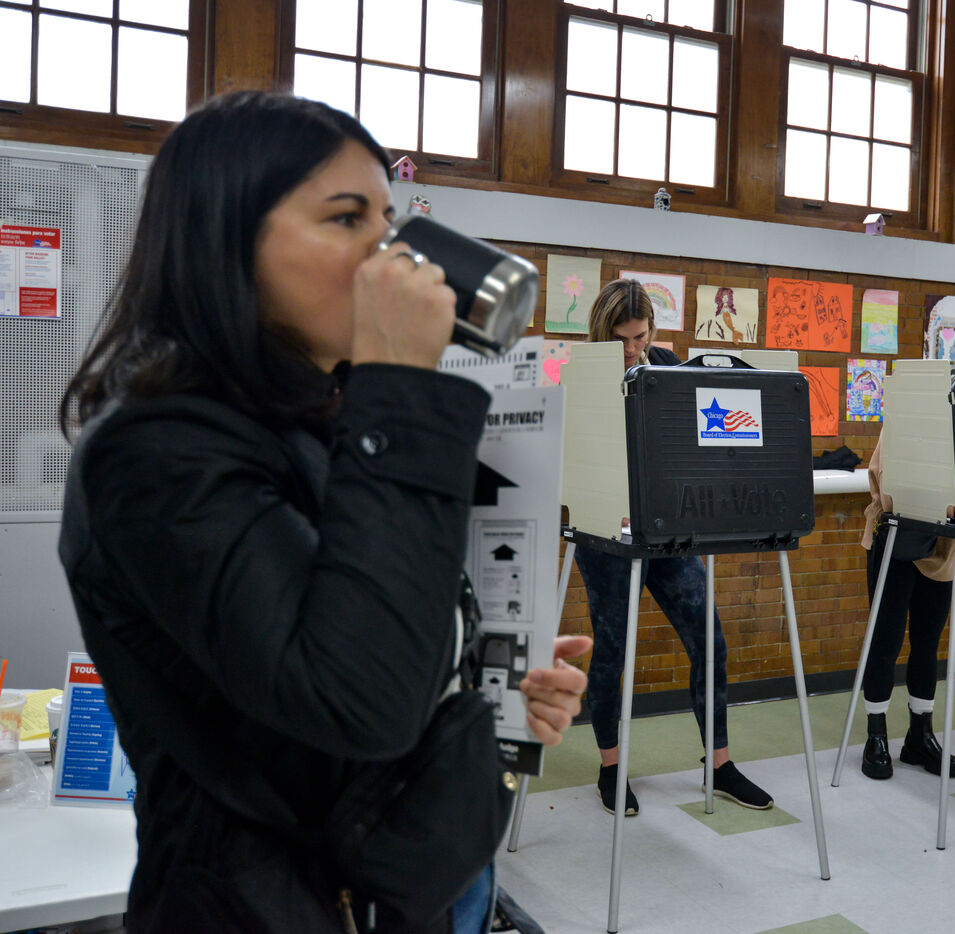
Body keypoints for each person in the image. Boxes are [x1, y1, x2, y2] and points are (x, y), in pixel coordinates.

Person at [56, 91, 590, 934]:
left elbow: (359, 612)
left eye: (390, 221)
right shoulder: (157, 452)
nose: (394, 257)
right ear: (225, 237)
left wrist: (472, 675)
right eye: (346, 219)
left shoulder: (320, 414)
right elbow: (356, 700)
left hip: (401, 881)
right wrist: (403, 387)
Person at [572, 278, 773, 815]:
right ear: (601, 334)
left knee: (710, 641)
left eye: (639, 336)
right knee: (611, 653)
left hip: (666, 534)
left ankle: (720, 764)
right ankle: (610, 768)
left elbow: (692, 444)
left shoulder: (666, 366)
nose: (632, 348)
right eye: (621, 339)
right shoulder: (584, 375)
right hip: (605, 536)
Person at [858, 429, 955, 780]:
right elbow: (881, 477)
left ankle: (920, 735)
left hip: (941, 543)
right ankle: (876, 736)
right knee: (885, 641)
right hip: (895, 536)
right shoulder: (905, 416)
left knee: (927, 642)